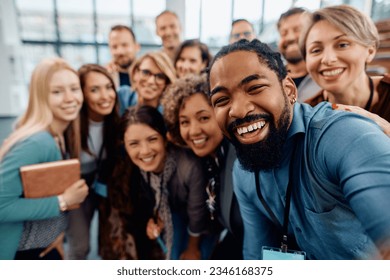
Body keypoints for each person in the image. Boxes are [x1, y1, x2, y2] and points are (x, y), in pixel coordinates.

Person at [207, 39, 390, 259]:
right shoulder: (243, 172)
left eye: (255, 88)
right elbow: (256, 255)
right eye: (222, 99)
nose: (238, 110)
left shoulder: (340, 134)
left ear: (289, 89)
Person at [0, 58, 88, 260]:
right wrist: (64, 201)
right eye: (57, 92)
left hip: (43, 247)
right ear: (41, 97)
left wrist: (54, 234)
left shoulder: (58, 136)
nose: (69, 98)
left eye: (74, 89)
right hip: (22, 255)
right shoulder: (38, 142)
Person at [110, 105, 209, 260]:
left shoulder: (189, 166)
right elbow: (146, 203)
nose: (145, 151)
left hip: (203, 223)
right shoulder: (134, 168)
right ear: (125, 146)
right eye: (134, 144)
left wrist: (192, 248)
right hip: (174, 213)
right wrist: (153, 221)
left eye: (152, 139)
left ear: (165, 138)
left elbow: (198, 213)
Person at [162, 74, 243, 259]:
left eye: (204, 118)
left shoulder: (241, 159)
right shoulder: (208, 158)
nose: (193, 131)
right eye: (184, 122)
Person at [299, 5, 390, 123]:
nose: (328, 59)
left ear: (370, 51)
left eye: (343, 45)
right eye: (316, 50)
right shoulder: (305, 117)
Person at [66, 64, 120, 259]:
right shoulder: (70, 125)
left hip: (103, 184)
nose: (105, 96)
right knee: (80, 246)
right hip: (75, 187)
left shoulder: (115, 120)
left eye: (108, 87)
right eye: (94, 90)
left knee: (111, 245)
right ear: (82, 94)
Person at [277, 7, 320, 102]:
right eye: (284, 33)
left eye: (297, 30)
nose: (290, 37)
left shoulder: (327, 76)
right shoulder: (271, 78)